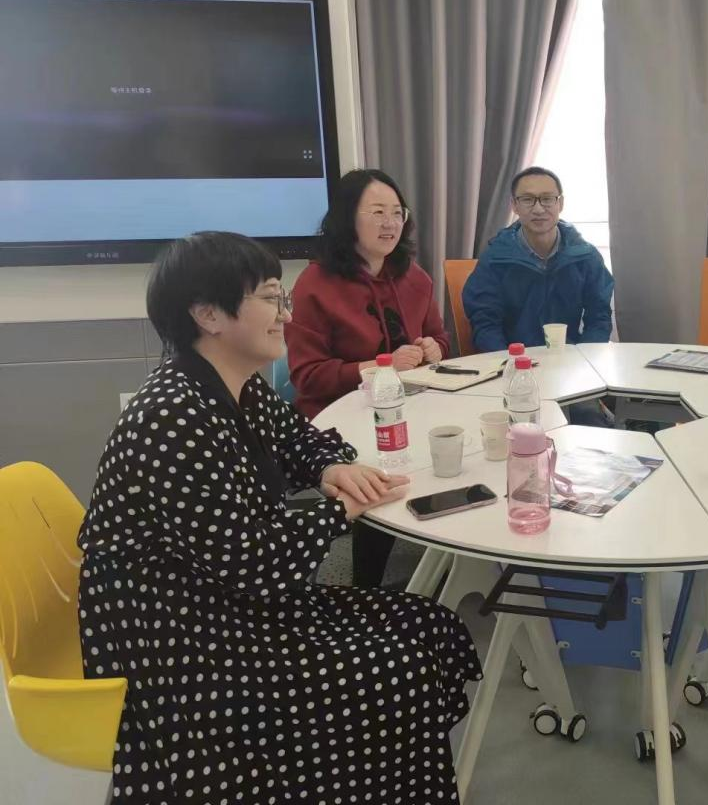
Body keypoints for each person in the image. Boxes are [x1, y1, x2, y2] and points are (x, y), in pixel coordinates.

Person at [78, 231, 480, 805]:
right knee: (397, 667)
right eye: (271, 298)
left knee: (428, 625)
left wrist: (330, 469)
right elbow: (254, 564)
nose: (286, 315)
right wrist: (339, 510)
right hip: (178, 630)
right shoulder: (170, 416)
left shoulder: (235, 386)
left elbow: (300, 439)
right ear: (208, 314)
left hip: (227, 593)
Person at [286, 168, 450, 586]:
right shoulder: (314, 284)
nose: (390, 222)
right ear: (347, 218)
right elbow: (308, 377)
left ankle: (453, 561)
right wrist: (380, 367)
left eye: (397, 212)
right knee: (379, 474)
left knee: (455, 450)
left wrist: (434, 348)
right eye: (377, 212)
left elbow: (440, 338)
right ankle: (367, 587)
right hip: (339, 415)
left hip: (411, 404)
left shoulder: (414, 277)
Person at [463, 166, 614, 353]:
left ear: (560, 204)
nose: (538, 209)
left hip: (570, 361)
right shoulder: (495, 259)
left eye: (547, 199)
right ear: (514, 205)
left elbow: (599, 318)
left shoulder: (585, 256)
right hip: (513, 361)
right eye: (527, 199)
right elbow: (485, 324)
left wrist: (585, 358)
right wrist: (507, 362)